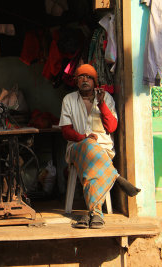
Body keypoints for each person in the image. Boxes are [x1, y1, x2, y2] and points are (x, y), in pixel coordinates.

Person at [59, 64, 140, 229]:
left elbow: (112, 128)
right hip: (77, 148)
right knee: (89, 145)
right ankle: (114, 176)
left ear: (95, 81)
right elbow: (66, 131)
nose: (85, 80)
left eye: (89, 77)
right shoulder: (69, 99)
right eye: (81, 76)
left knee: (92, 170)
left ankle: (95, 213)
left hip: (102, 151)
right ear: (76, 81)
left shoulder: (106, 98)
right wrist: (84, 138)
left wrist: (102, 104)